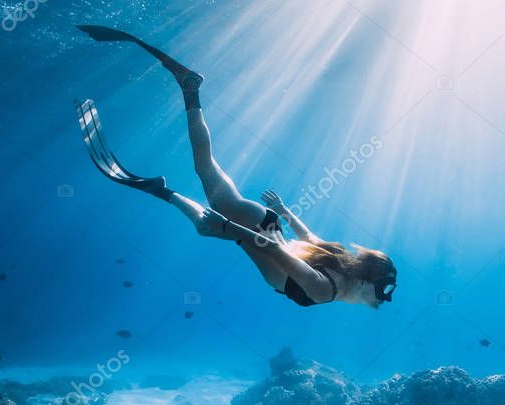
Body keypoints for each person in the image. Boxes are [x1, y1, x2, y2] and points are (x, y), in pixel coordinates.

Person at [75, 26, 397, 308]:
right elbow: (271, 250)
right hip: (257, 233)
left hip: (264, 224)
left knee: (206, 175)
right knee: (205, 204)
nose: (381, 301)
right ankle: (189, 94)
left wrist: (283, 210)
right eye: (382, 293)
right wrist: (228, 228)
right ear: (368, 282)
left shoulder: (338, 259)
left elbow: (306, 235)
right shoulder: (324, 290)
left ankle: (163, 182)